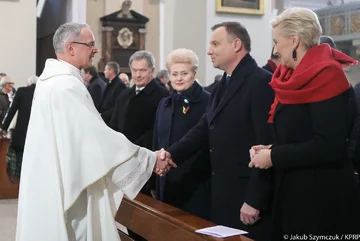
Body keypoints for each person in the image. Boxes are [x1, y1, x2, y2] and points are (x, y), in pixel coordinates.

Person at [15, 22, 175, 241]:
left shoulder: (50, 81)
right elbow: (97, 138)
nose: (96, 49)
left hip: (54, 174)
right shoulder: (65, 86)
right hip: (71, 183)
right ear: (71, 48)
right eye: (90, 44)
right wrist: (150, 158)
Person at [249, 7, 360, 239]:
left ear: (294, 40)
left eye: (276, 41)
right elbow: (298, 134)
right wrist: (271, 149)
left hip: (321, 199)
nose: (275, 49)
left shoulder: (328, 76)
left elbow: (329, 145)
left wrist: (274, 157)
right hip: (293, 190)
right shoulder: (291, 77)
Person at [160, 22, 274, 241]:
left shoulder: (260, 82)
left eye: (215, 44)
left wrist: (255, 199)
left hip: (245, 198)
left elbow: (266, 143)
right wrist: (171, 154)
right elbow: (204, 128)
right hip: (222, 193)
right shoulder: (224, 82)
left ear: (236, 45)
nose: (209, 50)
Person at [154, 48, 211, 219]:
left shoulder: (207, 101)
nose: (178, 78)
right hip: (166, 179)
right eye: (174, 73)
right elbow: (157, 140)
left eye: (184, 73)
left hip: (196, 181)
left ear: (194, 74)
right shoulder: (164, 103)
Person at [1, 75, 37, 175]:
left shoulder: (22, 91)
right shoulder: (44, 92)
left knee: (20, 165)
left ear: (28, 84)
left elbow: (12, 111)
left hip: (22, 135)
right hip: (38, 136)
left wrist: (3, 128)